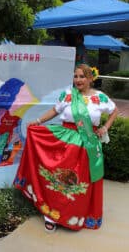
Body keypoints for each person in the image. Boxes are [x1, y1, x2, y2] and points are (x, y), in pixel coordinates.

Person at [14, 64, 118, 233]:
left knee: (78, 183)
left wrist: (105, 127)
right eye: (76, 76)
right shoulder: (68, 95)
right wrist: (38, 122)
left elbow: (114, 111)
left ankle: (74, 214)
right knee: (56, 179)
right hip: (64, 142)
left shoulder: (100, 98)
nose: (78, 80)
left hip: (87, 146)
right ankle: (51, 215)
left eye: (82, 76)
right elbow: (55, 111)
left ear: (90, 79)